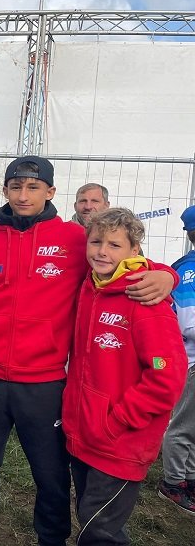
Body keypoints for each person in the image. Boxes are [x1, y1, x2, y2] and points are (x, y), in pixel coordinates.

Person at [0, 156, 176, 546]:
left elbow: (122, 259)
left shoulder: (75, 239)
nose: (23, 195)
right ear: (5, 191)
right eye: (15, 187)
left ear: (51, 192)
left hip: (44, 383)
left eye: (33, 187)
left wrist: (167, 274)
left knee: (50, 473)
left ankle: (51, 538)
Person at [63, 208, 186, 545]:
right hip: (86, 435)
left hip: (119, 441)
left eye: (114, 245)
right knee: (90, 518)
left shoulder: (145, 299)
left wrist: (116, 421)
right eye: (96, 242)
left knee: (100, 530)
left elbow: (166, 377)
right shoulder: (90, 287)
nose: (102, 251)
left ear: (135, 250)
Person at [159, 204, 195, 514]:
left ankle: (190, 477)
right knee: (182, 425)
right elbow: (188, 324)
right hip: (191, 361)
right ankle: (172, 482)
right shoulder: (188, 270)